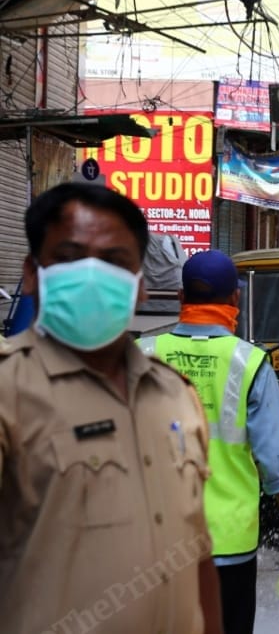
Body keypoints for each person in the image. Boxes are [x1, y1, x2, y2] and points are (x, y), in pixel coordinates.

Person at [0, 183, 222, 633]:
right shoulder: (9, 390)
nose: (91, 276)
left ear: (139, 287)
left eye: (114, 262)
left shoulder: (175, 395)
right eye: (70, 256)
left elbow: (196, 552)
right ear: (31, 273)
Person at [139, 250, 279, 634]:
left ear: (180, 298)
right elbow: (275, 462)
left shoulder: (144, 355)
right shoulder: (251, 363)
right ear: (235, 300)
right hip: (227, 544)